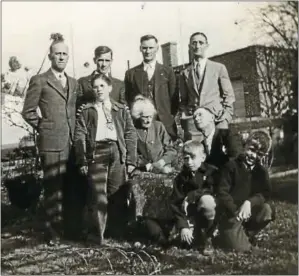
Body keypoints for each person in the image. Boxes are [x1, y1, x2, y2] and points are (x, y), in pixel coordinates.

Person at [22, 38, 77, 246]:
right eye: (57, 54)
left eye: (64, 54)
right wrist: (44, 127)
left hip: (72, 143)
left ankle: (71, 230)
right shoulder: (40, 80)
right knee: (54, 189)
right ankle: (53, 234)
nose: (61, 57)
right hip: (51, 143)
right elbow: (27, 111)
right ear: (50, 56)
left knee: (72, 187)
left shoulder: (74, 82)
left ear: (68, 57)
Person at [74, 74, 137, 244]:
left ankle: (116, 232)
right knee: (98, 195)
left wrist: (131, 160)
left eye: (102, 86)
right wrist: (82, 160)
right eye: (95, 87)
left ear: (110, 88)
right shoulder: (87, 111)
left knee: (117, 193)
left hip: (117, 152)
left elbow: (130, 134)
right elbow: (79, 136)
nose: (99, 89)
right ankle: (97, 236)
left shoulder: (121, 110)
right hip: (97, 152)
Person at [141, 140, 217, 255]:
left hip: (209, 216)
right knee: (185, 242)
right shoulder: (181, 178)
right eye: (186, 158)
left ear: (203, 157)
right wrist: (183, 226)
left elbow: (212, 190)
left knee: (207, 201)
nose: (189, 162)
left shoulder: (212, 172)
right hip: (189, 216)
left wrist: (192, 195)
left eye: (193, 157)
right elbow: (175, 203)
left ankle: (209, 237)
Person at [216, 130, 275, 251]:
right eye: (252, 150)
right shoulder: (231, 166)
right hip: (232, 214)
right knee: (242, 249)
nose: (254, 156)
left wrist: (249, 202)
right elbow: (222, 193)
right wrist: (235, 211)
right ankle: (225, 236)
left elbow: (265, 193)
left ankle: (247, 232)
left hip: (248, 213)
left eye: (259, 154)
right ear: (245, 145)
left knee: (268, 209)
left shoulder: (261, 172)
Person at [124, 34, 179, 141]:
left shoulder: (168, 71)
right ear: (140, 49)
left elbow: (174, 99)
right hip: (141, 125)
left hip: (165, 125)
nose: (148, 51)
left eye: (151, 48)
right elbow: (129, 99)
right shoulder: (131, 74)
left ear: (157, 48)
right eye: (144, 48)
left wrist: (167, 116)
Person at [179, 32, 235, 135]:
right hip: (194, 123)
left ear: (207, 45)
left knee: (216, 150)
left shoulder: (219, 68)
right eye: (194, 43)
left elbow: (229, 96)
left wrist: (225, 118)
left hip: (217, 120)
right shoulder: (184, 73)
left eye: (201, 42)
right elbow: (184, 100)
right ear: (189, 46)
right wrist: (187, 116)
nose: (197, 46)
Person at [131, 96, 177, 174]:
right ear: (138, 116)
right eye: (145, 117)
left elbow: (171, 149)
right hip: (143, 168)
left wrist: (162, 162)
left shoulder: (158, 126)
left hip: (163, 166)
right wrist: (148, 166)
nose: (148, 120)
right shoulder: (133, 130)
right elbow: (133, 153)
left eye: (150, 116)